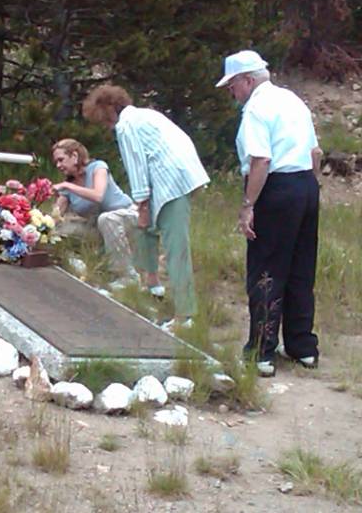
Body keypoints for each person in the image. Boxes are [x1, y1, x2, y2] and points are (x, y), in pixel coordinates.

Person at [216, 50, 321, 377]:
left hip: (276, 188)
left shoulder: (256, 109)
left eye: (232, 85)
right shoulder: (292, 100)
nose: (231, 93)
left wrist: (248, 205)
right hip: (305, 183)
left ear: (247, 80)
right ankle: (302, 346)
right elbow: (315, 151)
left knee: (266, 268)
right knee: (301, 267)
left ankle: (261, 351)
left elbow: (261, 160)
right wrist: (311, 189)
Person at [82, 85, 209, 327]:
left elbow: (137, 166)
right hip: (182, 177)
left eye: (102, 119)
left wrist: (141, 205)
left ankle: (185, 314)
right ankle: (152, 284)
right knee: (146, 230)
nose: (104, 125)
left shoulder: (126, 126)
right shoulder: (147, 114)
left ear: (109, 109)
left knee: (176, 247)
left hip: (171, 184)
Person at [50, 138, 139, 282]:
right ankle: (77, 263)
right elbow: (55, 217)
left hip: (127, 216)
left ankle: (126, 276)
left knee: (107, 219)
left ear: (74, 156)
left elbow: (98, 195)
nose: (58, 165)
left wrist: (68, 186)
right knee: (59, 229)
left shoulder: (98, 167)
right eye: (56, 162)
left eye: (61, 160)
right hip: (97, 226)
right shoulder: (68, 186)